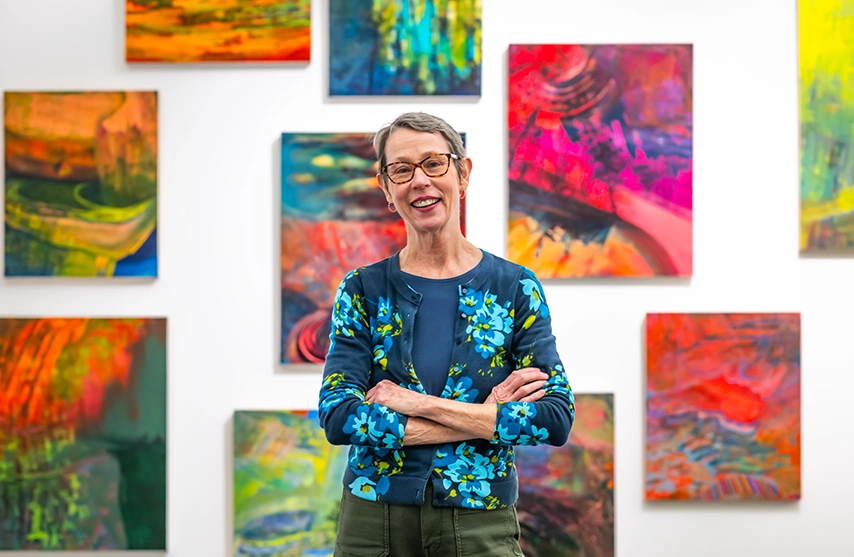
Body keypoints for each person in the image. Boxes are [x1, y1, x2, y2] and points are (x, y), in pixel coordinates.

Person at [318, 112, 575, 557]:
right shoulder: (361, 289)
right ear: (386, 188)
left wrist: (417, 404)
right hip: (372, 521)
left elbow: (554, 418)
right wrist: (484, 418)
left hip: (481, 520)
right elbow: (338, 417)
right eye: (401, 169)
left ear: (463, 173)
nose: (420, 181)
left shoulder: (515, 287)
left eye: (434, 163)